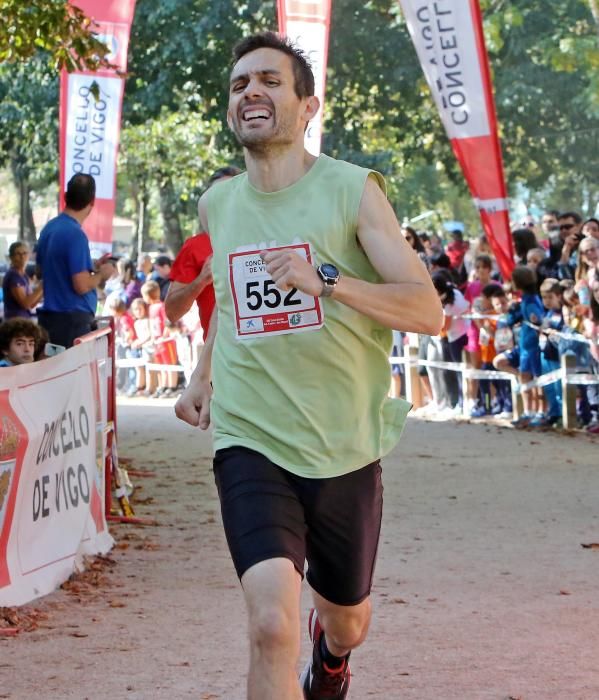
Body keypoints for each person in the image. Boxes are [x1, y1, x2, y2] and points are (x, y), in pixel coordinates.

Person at [174, 31, 442, 700]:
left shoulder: (352, 192)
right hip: (250, 436)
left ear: (307, 106)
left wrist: (326, 279)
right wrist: (202, 375)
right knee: (269, 624)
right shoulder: (219, 204)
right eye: (239, 84)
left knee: (345, 618)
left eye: (269, 80)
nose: (251, 92)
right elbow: (233, 302)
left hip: (342, 443)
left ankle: (333, 655)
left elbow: (424, 310)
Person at [36, 174, 114, 347]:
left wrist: (89, 267)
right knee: (73, 373)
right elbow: (81, 285)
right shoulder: (76, 235)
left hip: (50, 319)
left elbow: (41, 271)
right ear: (92, 202)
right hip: (71, 322)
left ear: (65, 196)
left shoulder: (49, 228)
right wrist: (102, 274)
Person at [165, 166, 242, 339]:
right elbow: (172, 312)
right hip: (219, 355)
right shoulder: (195, 246)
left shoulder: (265, 235)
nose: (222, 200)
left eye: (229, 192)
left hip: (267, 354)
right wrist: (201, 280)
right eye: (215, 195)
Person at [510, 265, 544, 427]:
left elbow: (537, 318)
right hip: (525, 343)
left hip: (532, 344)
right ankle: (527, 411)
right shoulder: (525, 298)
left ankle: (540, 411)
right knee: (525, 377)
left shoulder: (531, 300)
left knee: (536, 378)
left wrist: (535, 319)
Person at [2, 241, 43, 319]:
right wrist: (42, 287)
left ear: (29, 255)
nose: (22, 256)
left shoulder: (24, 275)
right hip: (15, 322)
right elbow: (25, 304)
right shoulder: (13, 275)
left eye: (25, 253)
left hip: (24, 319)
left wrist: (43, 290)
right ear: (11, 257)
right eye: (18, 254)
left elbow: (31, 304)